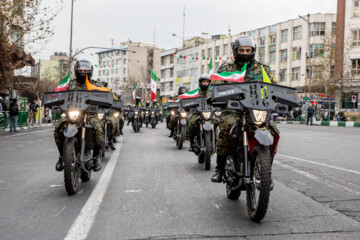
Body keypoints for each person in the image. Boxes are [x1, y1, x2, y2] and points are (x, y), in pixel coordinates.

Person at [208, 35, 277, 184]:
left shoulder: (263, 69)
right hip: (233, 109)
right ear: (235, 51)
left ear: (253, 51)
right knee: (226, 126)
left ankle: (266, 171)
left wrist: (279, 99)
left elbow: (274, 87)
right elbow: (213, 85)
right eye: (242, 50)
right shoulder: (226, 68)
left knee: (273, 130)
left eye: (248, 50)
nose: (245, 53)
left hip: (256, 108)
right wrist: (211, 96)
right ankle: (219, 168)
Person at [54, 60, 104, 172]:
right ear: (76, 71)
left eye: (85, 70)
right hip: (72, 113)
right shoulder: (69, 84)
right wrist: (55, 100)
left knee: (99, 130)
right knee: (57, 128)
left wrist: (103, 101)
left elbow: (104, 95)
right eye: (80, 70)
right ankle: (62, 156)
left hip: (90, 115)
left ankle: (96, 158)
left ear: (90, 71)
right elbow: (60, 94)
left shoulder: (96, 84)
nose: (83, 72)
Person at [188, 74, 211, 152]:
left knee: (219, 124)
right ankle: (191, 143)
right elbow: (190, 99)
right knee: (191, 123)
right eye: (203, 81)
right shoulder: (196, 92)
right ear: (200, 82)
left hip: (211, 113)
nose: (205, 83)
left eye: (207, 82)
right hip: (198, 113)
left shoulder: (212, 91)